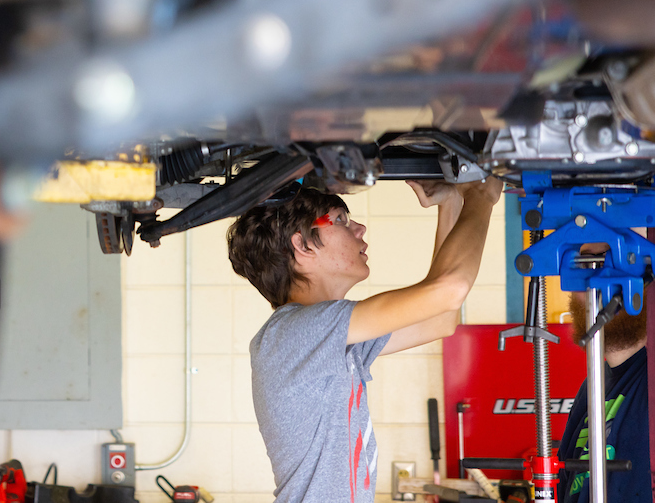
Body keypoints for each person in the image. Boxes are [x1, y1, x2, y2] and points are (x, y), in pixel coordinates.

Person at [227, 177, 503, 503]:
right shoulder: (296, 333)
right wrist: (482, 197)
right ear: (301, 245)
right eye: (341, 220)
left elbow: (439, 319)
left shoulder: (323, 337)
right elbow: (449, 291)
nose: (359, 228)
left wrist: (452, 203)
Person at [556, 255, 649, 503]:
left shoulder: (650, 378)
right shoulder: (591, 388)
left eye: (608, 265)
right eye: (583, 267)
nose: (597, 285)